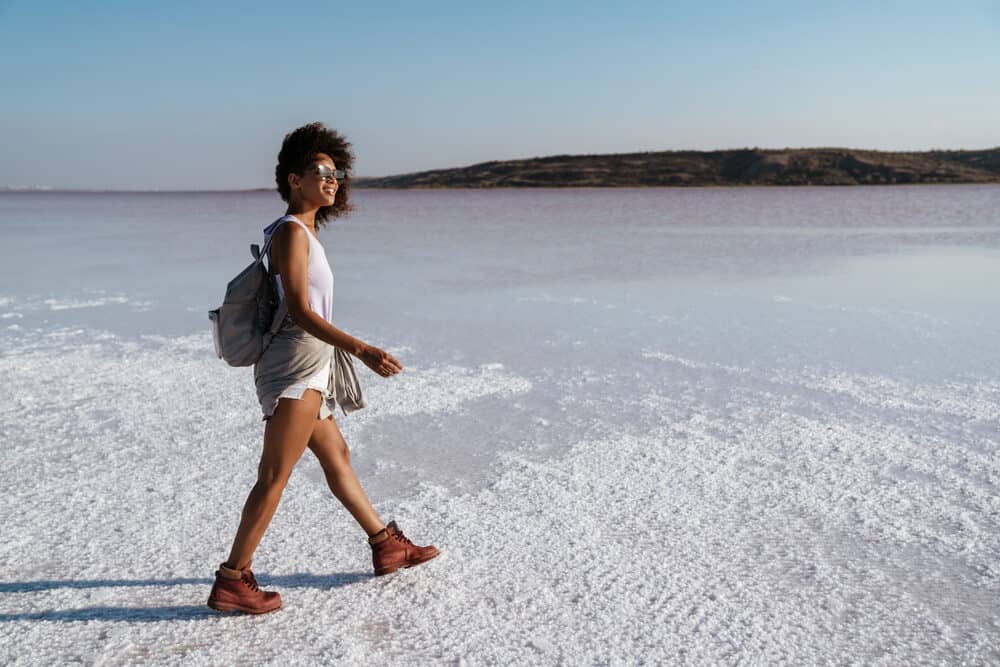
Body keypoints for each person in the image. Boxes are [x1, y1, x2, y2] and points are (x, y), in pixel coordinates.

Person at [207, 122, 439, 615]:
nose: (331, 180)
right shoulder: (292, 233)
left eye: (336, 173)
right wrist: (361, 348)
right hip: (294, 363)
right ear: (294, 179)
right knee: (274, 474)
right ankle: (233, 579)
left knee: (337, 456)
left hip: (308, 360)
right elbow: (301, 311)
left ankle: (385, 543)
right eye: (320, 171)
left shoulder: (303, 232)